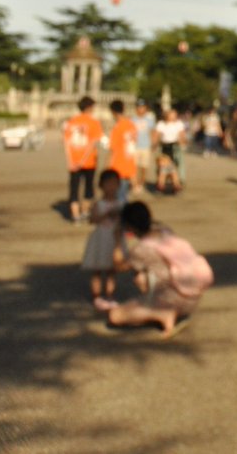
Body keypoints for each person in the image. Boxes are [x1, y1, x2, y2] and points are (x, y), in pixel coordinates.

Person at [106, 201, 207, 339]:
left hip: (174, 297)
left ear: (129, 227)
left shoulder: (142, 249)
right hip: (193, 295)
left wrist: (117, 240)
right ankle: (168, 310)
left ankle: (162, 314)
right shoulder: (165, 230)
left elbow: (119, 266)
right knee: (140, 277)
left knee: (115, 316)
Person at [82, 168, 123, 311]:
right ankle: (97, 296)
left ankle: (110, 295)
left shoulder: (121, 204)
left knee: (112, 270)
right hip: (101, 239)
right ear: (101, 186)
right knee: (97, 269)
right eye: (108, 184)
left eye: (114, 184)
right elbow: (92, 220)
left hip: (115, 240)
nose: (111, 187)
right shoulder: (98, 204)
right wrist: (106, 214)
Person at [63, 96, 104, 223]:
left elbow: (66, 143)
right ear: (89, 107)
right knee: (88, 187)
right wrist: (82, 160)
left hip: (73, 161)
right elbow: (92, 144)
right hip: (89, 161)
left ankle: (75, 215)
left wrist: (70, 161)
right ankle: (85, 211)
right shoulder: (94, 122)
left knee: (74, 188)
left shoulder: (71, 121)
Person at [107, 100, 138, 204]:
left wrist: (107, 166)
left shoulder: (117, 127)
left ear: (113, 112)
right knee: (124, 194)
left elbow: (112, 148)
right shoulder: (131, 125)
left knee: (119, 196)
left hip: (118, 165)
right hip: (129, 162)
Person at [155, 109, 187, 192]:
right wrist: (155, 144)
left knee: (175, 167)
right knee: (163, 167)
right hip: (165, 146)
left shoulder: (179, 124)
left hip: (175, 146)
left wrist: (182, 142)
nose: (174, 116)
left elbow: (182, 135)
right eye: (172, 114)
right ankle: (161, 183)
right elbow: (157, 135)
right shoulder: (161, 124)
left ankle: (177, 183)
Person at [132, 100, 157, 191]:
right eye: (139, 107)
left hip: (145, 146)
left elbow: (152, 132)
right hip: (134, 146)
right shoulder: (132, 119)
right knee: (134, 166)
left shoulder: (149, 120)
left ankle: (141, 183)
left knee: (144, 167)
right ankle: (135, 183)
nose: (140, 109)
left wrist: (154, 143)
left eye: (142, 107)